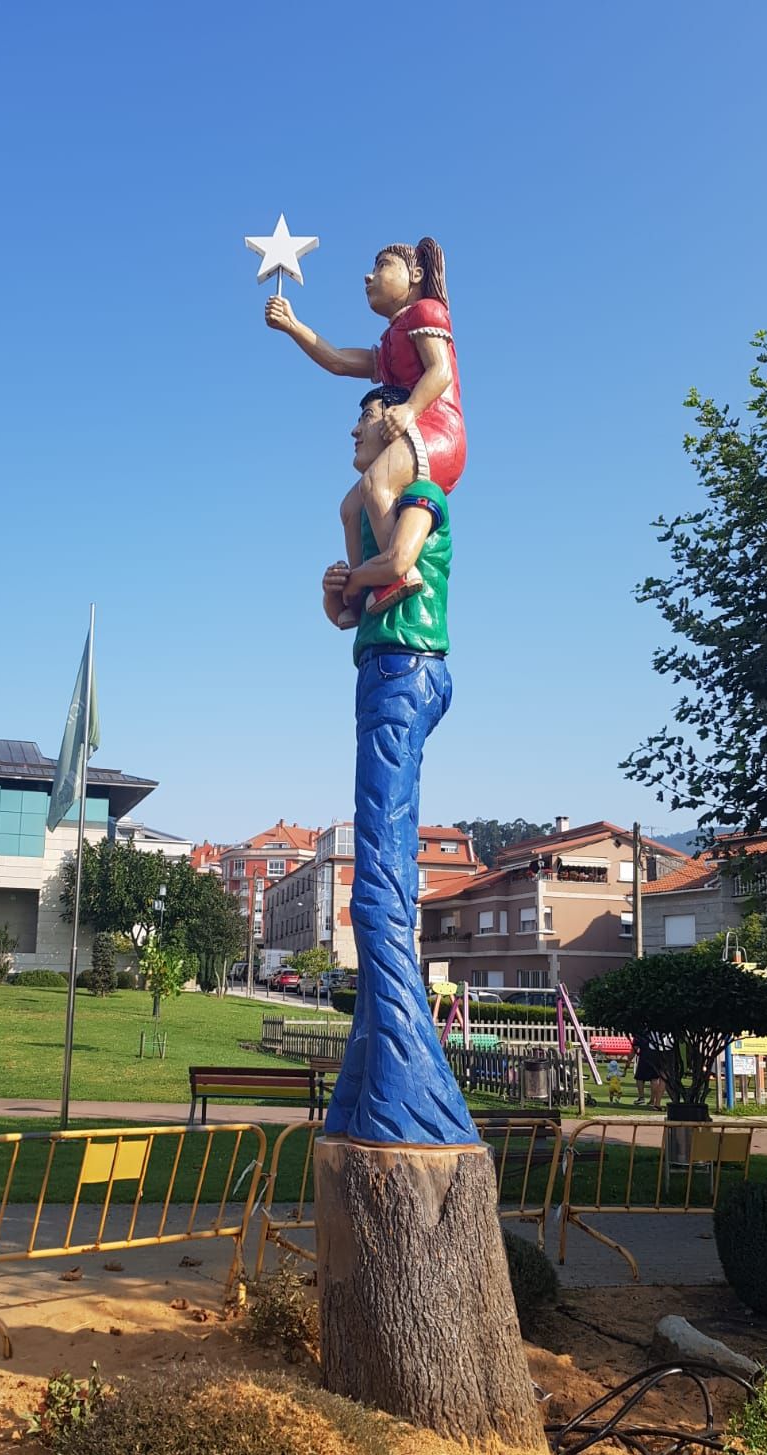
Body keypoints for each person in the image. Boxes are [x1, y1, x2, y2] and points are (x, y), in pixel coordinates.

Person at [318, 386, 477, 1146]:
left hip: (407, 672)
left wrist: (372, 572)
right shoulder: (372, 508)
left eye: (364, 417)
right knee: (381, 868)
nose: (353, 429)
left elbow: (402, 562)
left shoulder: (421, 493)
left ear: (393, 421)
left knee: (379, 881)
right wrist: (341, 593)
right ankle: (378, 1082)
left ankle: (409, 1098)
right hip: (380, 668)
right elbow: (359, 605)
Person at [267, 236, 464, 625]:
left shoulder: (426, 312)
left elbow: (440, 371)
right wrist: (293, 326)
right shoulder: (391, 340)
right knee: (351, 506)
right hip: (409, 431)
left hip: (439, 429)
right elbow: (339, 361)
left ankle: (398, 573)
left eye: (383, 266)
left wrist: (409, 410)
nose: (368, 276)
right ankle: (363, 592)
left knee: (376, 484)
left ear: (416, 275)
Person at [633, 1033, 664, 1109]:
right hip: (657, 1055)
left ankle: (641, 1097)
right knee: (654, 1078)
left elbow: (635, 1048)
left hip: (644, 1056)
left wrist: (629, 1059)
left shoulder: (641, 1033)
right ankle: (652, 1100)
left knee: (639, 1077)